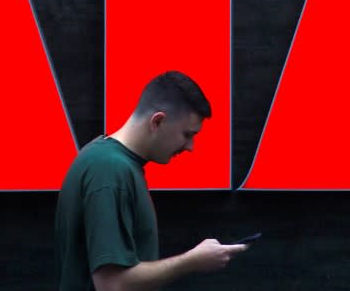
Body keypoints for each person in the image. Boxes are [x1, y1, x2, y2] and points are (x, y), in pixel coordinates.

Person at [54, 70, 248, 291]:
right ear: (157, 121)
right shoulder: (109, 171)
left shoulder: (109, 162)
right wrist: (192, 261)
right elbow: (112, 285)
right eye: (187, 134)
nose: (190, 147)